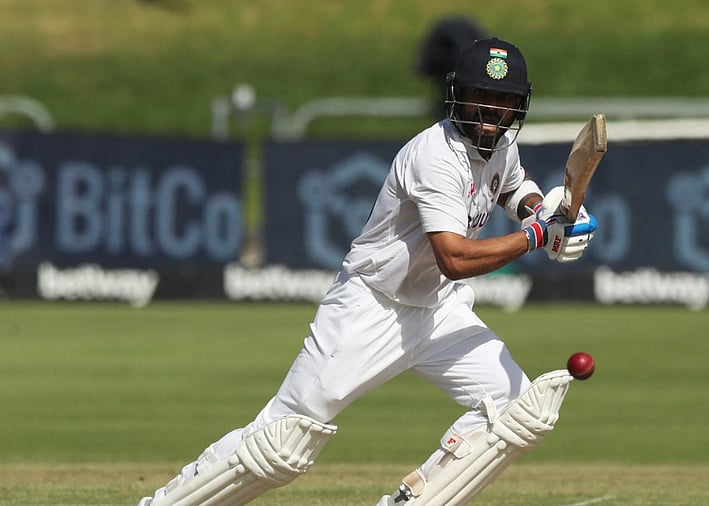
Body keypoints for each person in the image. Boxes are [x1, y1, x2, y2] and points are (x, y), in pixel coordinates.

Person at [137, 36, 597, 506]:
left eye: (503, 100)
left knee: (519, 411)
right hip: (372, 307)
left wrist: (541, 210)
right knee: (282, 442)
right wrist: (539, 236)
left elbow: (511, 189)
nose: (491, 111)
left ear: (517, 106)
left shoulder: (500, 146)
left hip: (438, 311)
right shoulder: (435, 156)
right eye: (482, 95)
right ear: (458, 94)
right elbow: (455, 259)